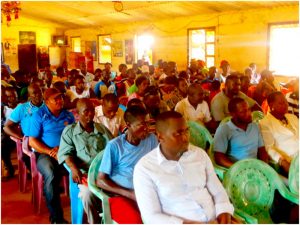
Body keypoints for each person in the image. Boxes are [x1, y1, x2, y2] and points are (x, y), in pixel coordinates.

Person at [133, 111, 235, 224]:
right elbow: (151, 216)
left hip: (215, 219)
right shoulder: (145, 168)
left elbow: (218, 191)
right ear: (160, 136)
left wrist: (224, 213)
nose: (186, 138)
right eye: (178, 134)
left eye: (187, 131)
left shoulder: (199, 155)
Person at [58, 99, 113, 223]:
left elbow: (113, 149)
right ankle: (94, 221)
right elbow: (66, 154)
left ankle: (110, 217)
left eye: (92, 110)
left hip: (105, 173)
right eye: (86, 111)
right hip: (85, 175)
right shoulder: (70, 131)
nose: (90, 114)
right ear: (77, 113)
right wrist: (73, 168)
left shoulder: (101, 129)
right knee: (87, 195)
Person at [27, 88, 75, 224]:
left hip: (66, 151)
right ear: (47, 101)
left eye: (61, 97)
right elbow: (32, 141)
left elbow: (73, 136)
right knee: (51, 173)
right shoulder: (39, 115)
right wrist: (50, 151)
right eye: (56, 99)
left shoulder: (68, 115)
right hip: (45, 154)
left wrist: (63, 148)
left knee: (85, 166)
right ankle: (56, 218)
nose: (60, 100)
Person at [96, 105, 158, 201]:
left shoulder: (151, 139)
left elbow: (156, 166)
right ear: (128, 125)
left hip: (146, 191)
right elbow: (100, 180)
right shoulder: (114, 146)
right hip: (123, 195)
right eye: (142, 124)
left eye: (148, 123)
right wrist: (129, 194)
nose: (147, 128)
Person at [214, 98, 269, 168]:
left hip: (255, 168)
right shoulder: (224, 130)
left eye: (249, 109)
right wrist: (239, 168)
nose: (249, 114)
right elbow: (219, 158)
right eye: (243, 112)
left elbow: (262, 150)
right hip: (238, 171)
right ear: (233, 114)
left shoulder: (255, 126)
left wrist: (264, 167)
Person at [259, 91, 299, 175]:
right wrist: (283, 162)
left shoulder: (292, 117)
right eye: (281, 103)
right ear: (271, 105)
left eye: (285, 102)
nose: (285, 105)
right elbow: (269, 148)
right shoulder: (265, 123)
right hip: (291, 159)